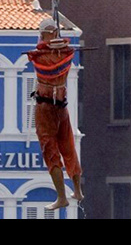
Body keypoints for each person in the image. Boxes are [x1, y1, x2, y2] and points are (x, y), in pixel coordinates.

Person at [26, 15, 84, 211]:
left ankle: (61, 197)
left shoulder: (42, 57)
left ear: (44, 34)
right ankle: (77, 190)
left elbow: (36, 56)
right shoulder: (66, 54)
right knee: (68, 146)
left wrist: (42, 47)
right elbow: (59, 51)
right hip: (61, 105)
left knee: (50, 150)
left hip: (46, 107)